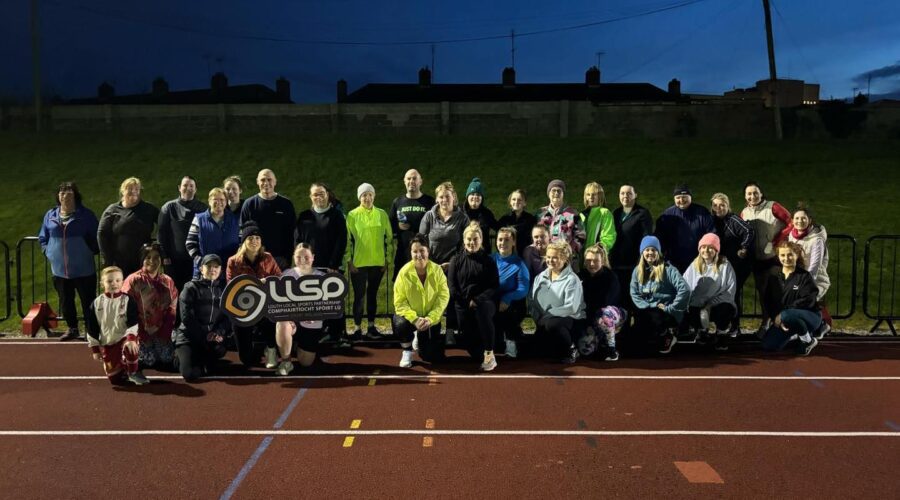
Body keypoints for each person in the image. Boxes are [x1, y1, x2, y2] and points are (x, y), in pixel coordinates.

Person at [39, 182, 99, 341]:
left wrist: (88, 249)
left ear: (76, 196)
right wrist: (48, 251)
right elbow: (43, 237)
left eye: (69, 192)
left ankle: (90, 330)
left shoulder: (86, 216)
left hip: (84, 268)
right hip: (59, 270)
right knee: (65, 302)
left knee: (88, 301)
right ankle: (72, 328)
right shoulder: (50, 215)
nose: (65, 195)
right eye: (62, 192)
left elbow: (96, 237)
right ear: (58, 196)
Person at [295, 182, 349, 346]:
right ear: (310, 197)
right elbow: (298, 242)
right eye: (315, 194)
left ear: (328, 195)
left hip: (331, 268)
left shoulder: (336, 216)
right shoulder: (304, 216)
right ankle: (316, 332)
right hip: (309, 268)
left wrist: (334, 264)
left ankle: (336, 335)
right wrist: (302, 264)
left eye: (322, 194)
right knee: (314, 302)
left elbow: (341, 241)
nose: (319, 197)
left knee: (333, 301)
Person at [226, 221, 282, 368]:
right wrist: (253, 285)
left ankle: (271, 350)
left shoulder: (268, 258)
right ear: (244, 241)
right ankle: (254, 350)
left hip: (265, 304)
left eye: (257, 238)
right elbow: (231, 286)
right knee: (246, 360)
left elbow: (279, 278)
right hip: (243, 306)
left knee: (272, 316)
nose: (254, 241)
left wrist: (266, 281)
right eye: (250, 238)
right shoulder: (233, 261)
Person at [419, 181, 469, 340]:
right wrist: (431, 264)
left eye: (447, 196)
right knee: (431, 298)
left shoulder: (462, 218)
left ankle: (450, 332)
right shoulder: (429, 216)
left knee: (451, 297)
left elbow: (466, 244)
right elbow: (421, 240)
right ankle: (431, 329)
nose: (444, 200)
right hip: (431, 265)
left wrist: (452, 263)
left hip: (453, 266)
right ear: (436, 199)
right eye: (441, 197)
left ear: (453, 198)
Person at [740, 181, 792, 334]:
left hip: (775, 257)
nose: (752, 196)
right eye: (749, 193)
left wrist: (777, 240)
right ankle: (766, 320)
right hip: (757, 259)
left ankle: (782, 323)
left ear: (761, 193)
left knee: (776, 290)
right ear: (745, 196)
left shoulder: (773, 206)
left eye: (755, 192)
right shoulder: (744, 212)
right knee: (762, 291)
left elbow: (791, 223)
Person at [448, 222, 501, 371]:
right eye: (469, 239)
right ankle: (482, 352)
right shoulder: (456, 260)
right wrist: (466, 302)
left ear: (481, 240)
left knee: (482, 312)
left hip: (484, 302)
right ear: (464, 240)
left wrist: (477, 300)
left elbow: (494, 286)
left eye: (475, 239)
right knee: (471, 346)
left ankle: (490, 354)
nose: (472, 242)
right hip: (463, 305)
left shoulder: (489, 261)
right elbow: (452, 287)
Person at [393, 234, 450, 367]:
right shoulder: (404, 273)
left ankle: (419, 337)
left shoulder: (437, 270)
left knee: (431, 357)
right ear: (411, 253)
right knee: (399, 323)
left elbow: (443, 297)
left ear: (428, 252)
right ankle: (407, 350)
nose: (419, 255)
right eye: (415, 251)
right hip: (411, 318)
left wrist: (431, 318)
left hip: (430, 320)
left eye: (422, 251)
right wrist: (415, 319)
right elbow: (399, 302)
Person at [86, 266, 148, 386]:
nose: (114, 283)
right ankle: (121, 367)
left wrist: (131, 339)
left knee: (130, 347)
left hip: (124, 339)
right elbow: (91, 327)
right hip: (108, 342)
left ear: (122, 282)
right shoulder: (97, 303)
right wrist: (95, 349)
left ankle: (133, 372)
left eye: (117, 280)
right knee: (115, 381)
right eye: (109, 281)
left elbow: (133, 322)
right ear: (102, 283)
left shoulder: (128, 300)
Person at [345, 183, 393, 340]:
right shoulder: (352, 215)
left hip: (377, 263)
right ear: (359, 197)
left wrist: (387, 259)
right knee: (359, 296)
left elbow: (389, 239)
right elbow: (348, 241)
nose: (367, 198)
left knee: (372, 295)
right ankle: (358, 328)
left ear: (374, 196)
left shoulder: (382, 214)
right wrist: (349, 261)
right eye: (364, 195)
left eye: (370, 194)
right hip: (358, 264)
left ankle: (372, 326)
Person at [629, 236, 690, 355]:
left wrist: (672, 307)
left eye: (653, 250)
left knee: (654, 318)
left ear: (658, 252)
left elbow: (685, 289)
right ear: (642, 252)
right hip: (647, 309)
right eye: (647, 250)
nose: (650, 253)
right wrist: (646, 306)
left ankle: (668, 335)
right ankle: (654, 336)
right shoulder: (637, 271)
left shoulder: (669, 269)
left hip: (665, 311)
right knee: (634, 341)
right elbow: (634, 292)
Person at [173, 254, 229, 381]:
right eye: (209, 266)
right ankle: (178, 358)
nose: (212, 269)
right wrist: (205, 335)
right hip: (188, 337)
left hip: (209, 337)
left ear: (220, 270)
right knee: (190, 374)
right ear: (201, 269)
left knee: (219, 351)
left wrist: (218, 332)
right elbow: (187, 318)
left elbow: (227, 317)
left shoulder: (224, 289)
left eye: (216, 266)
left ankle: (200, 359)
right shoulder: (190, 287)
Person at [274, 244, 328, 376]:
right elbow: (278, 303)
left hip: (312, 324)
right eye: (299, 257)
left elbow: (329, 305)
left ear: (313, 257)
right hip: (292, 323)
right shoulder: (286, 275)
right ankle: (286, 361)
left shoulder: (322, 277)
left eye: (306, 257)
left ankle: (294, 346)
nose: (303, 260)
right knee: (282, 323)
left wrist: (315, 314)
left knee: (306, 363)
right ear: (293, 257)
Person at [122, 243, 178, 368]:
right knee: (149, 360)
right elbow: (127, 311)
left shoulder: (167, 281)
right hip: (139, 332)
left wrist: (165, 333)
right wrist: (142, 334)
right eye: (148, 257)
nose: (152, 261)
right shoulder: (133, 281)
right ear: (142, 259)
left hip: (160, 331)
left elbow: (172, 309)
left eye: (156, 257)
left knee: (166, 359)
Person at [760, 241, 821, 356]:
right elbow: (768, 302)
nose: (786, 258)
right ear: (778, 257)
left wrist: (784, 314)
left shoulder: (804, 276)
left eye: (790, 255)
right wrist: (775, 318)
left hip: (810, 317)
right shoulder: (773, 278)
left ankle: (808, 340)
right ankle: (795, 335)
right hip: (784, 319)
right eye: (782, 255)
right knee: (768, 345)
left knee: (787, 315)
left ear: (796, 256)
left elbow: (809, 299)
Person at [530, 241, 586, 363]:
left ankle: (572, 349)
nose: (550, 260)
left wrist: (548, 314)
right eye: (548, 257)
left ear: (565, 258)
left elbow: (571, 308)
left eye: (555, 257)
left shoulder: (572, 279)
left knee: (552, 324)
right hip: (544, 319)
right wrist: (533, 319)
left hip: (570, 319)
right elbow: (533, 301)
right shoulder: (539, 277)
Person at [682, 233, 737, 350]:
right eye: (703, 246)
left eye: (710, 247)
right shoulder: (694, 265)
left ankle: (721, 333)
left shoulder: (725, 265)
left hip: (717, 304)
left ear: (716, 250)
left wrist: (709, 305)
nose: (706, 250)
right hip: (699, 305)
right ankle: (701, 331)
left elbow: (729, 292)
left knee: (725, 309)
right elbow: (685, 286)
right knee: (690, 308)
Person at [98, 177, 160, 277]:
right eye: (130, 189)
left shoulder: (149, 209)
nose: (134, 192)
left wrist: (157, 245)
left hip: (144, 261)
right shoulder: (112, 210)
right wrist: (107, 259)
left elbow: (164, 224)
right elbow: (102, 234)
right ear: (123, 191)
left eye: (137, 189)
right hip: (119, 262)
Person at [710, 193, 754, 332]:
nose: (719, 208)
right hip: (722, 264)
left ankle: (735, 326)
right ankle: (722, 325)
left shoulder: (733, 220)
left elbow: (749, 231)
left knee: (732, 293)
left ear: (728, 206)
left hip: (738, 264)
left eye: (722, 205)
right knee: (720, 293)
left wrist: (744, 247)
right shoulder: (712, 220)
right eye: (715, 205)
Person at [239, 169, 296, 270]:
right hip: (255, 259)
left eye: (269, 179)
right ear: (257, 182)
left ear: (275, 181)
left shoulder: (286, 204)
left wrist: (288, 257)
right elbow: (243, 235)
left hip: (280, 259)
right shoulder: (249, 205)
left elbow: (292, 233)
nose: (266, 183)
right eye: (262, 180)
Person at [158, 175, 207, 290]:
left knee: (194, 291)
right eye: (185, 185)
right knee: (174, 291)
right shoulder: (169, 207)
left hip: (195, 260)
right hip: (173, 261)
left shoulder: (203, 208)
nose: (188, 188)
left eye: (191, 186)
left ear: (195, 189)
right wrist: (164, 256)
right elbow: (161, 233)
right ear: (179, 188)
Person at [788, 204, 831, 335]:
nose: (800, 221)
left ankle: (822, 324)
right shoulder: (792, 235)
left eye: (803, 218)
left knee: (804, 302)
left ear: (809, 220)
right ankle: (810, 328)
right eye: (796, 218)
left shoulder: (817, 239)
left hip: (816, 279)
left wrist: (804, 284)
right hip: (799, 278)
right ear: (792, 220)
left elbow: (815, 265)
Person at [609, 184, 653, 311]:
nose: (625, 196)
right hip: (617, 264)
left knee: (634, 299)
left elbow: (647, 238)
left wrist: (642, 262)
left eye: (629, 193)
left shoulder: (642, 213)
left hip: (634, 265)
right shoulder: (616, 213)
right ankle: (623, 327)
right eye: (622, 193)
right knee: (620, 298)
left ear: (635, 195)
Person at [578, 244, 625, 361]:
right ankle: (596, 340)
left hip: (609, 314)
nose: (592, 264)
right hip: (588, 316)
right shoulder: (580, 276)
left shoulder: (611, 277)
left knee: (605, 315)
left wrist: (591, 324)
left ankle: (611, 349)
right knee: (586, 351)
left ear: (602, 261)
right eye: (588, 260)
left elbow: (605, 303)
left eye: (595, 261)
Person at [655, 184, 715, 273]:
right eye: (678, 197)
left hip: (698, 261)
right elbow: (660, 237)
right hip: (674, 263)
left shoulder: (702, 213)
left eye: (684, 197)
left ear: (690, 197)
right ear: (674, 199)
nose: (681, 200)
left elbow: (712, 234)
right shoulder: (667, 215)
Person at [186, 187, 240, 281]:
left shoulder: (235, 220)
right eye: (215, 199)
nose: (219, 202)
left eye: (222, 199)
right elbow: (190, 243)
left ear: (226, 202)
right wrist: (201, 261)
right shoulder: (199, 219)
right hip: (206, 271)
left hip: (229, 271)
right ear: (209, 201)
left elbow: (241, 243)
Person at [389, 169, 435, 278]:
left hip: (423, 254)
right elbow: (390, 226)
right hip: (403, 253)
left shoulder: (429, 201)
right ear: (404, 181)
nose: (411, 181)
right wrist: (398, 227)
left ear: (420, 181)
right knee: (401, 287)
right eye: (409, 178)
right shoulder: (397, 202)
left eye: (414, 178)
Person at [492, 227, 530, 358]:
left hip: (513, 304)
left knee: (509, 313)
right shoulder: (490, 259)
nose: (503, 243)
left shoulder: (519, 263)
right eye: (500, 239)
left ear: (513, 242)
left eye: (507, 240)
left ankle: (511, 344)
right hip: (493, 301)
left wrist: (507, 298)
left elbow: (523, 288)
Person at [535, 179, 586, 259]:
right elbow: (534, 235)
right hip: (545, 258)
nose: (556, 193)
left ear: (563, 194)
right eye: (553, 190)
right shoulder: (540, 214)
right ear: (548, 194)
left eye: (559, 191)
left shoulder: (572, 213)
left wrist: (570, 251)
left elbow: (581, 235)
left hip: (567, 257)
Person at [497, 189, 537, 258]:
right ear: (510, 202)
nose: (516, 202)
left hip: (525, 255)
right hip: (508, 255)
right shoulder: (504, 219)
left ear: (525, 203)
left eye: (519, 200)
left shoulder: (530, 219)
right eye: (514, 199)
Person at [462, 177, 497, 253]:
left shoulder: (487, 213)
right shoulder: (460, 211)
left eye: (478, 195)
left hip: (483, 253)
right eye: (472, 194)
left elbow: (498, 227)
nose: (475, 197)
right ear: (467, 196)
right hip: (464, 253)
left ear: (482, 198)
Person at [581, 182, 616, 256]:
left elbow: (609, 235)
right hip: (583, 256)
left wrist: (599, 249)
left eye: (594, 194)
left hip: (598, 256)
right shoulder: (582, 214)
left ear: (600, 196)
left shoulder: (604, 213)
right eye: (588, 194)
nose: (591, 197)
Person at [523, 224, 549, 289]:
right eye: (536, 237)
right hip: (536, 287)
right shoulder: (529, 251)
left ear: (549, 236)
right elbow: (528, 275)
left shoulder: (556, 251)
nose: (539, 240)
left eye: (542, 236)